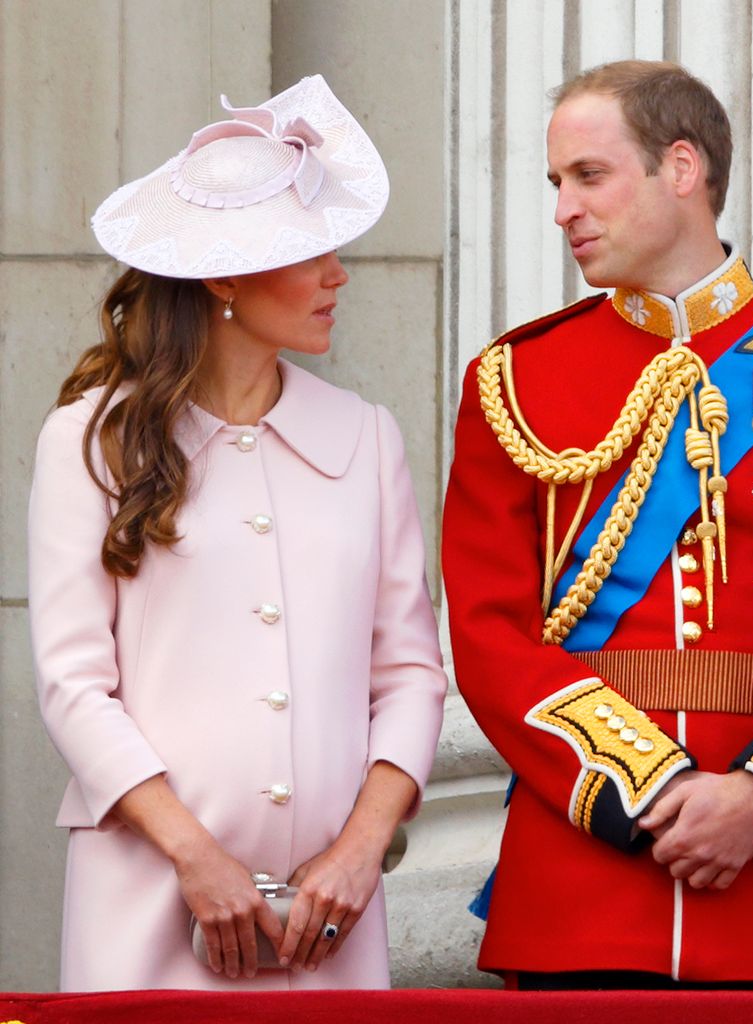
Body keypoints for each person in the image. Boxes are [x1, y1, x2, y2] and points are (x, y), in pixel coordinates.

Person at [442, 60, 753, 990]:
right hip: (581, 884)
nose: (562, 211)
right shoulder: (513, 380)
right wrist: (652, 790)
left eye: (588, 176)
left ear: (681, 168)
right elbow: (485, 633)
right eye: (556, 184)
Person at [28, 75, 447, 991]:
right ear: (222, 273)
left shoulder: (365, 436)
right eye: (311, 252)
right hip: (148, 899)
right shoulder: (92, 439)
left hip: (329, 919)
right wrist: (195, 858)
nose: (339, 275)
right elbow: (73, 684)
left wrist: (360, 851)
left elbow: (410, 673)